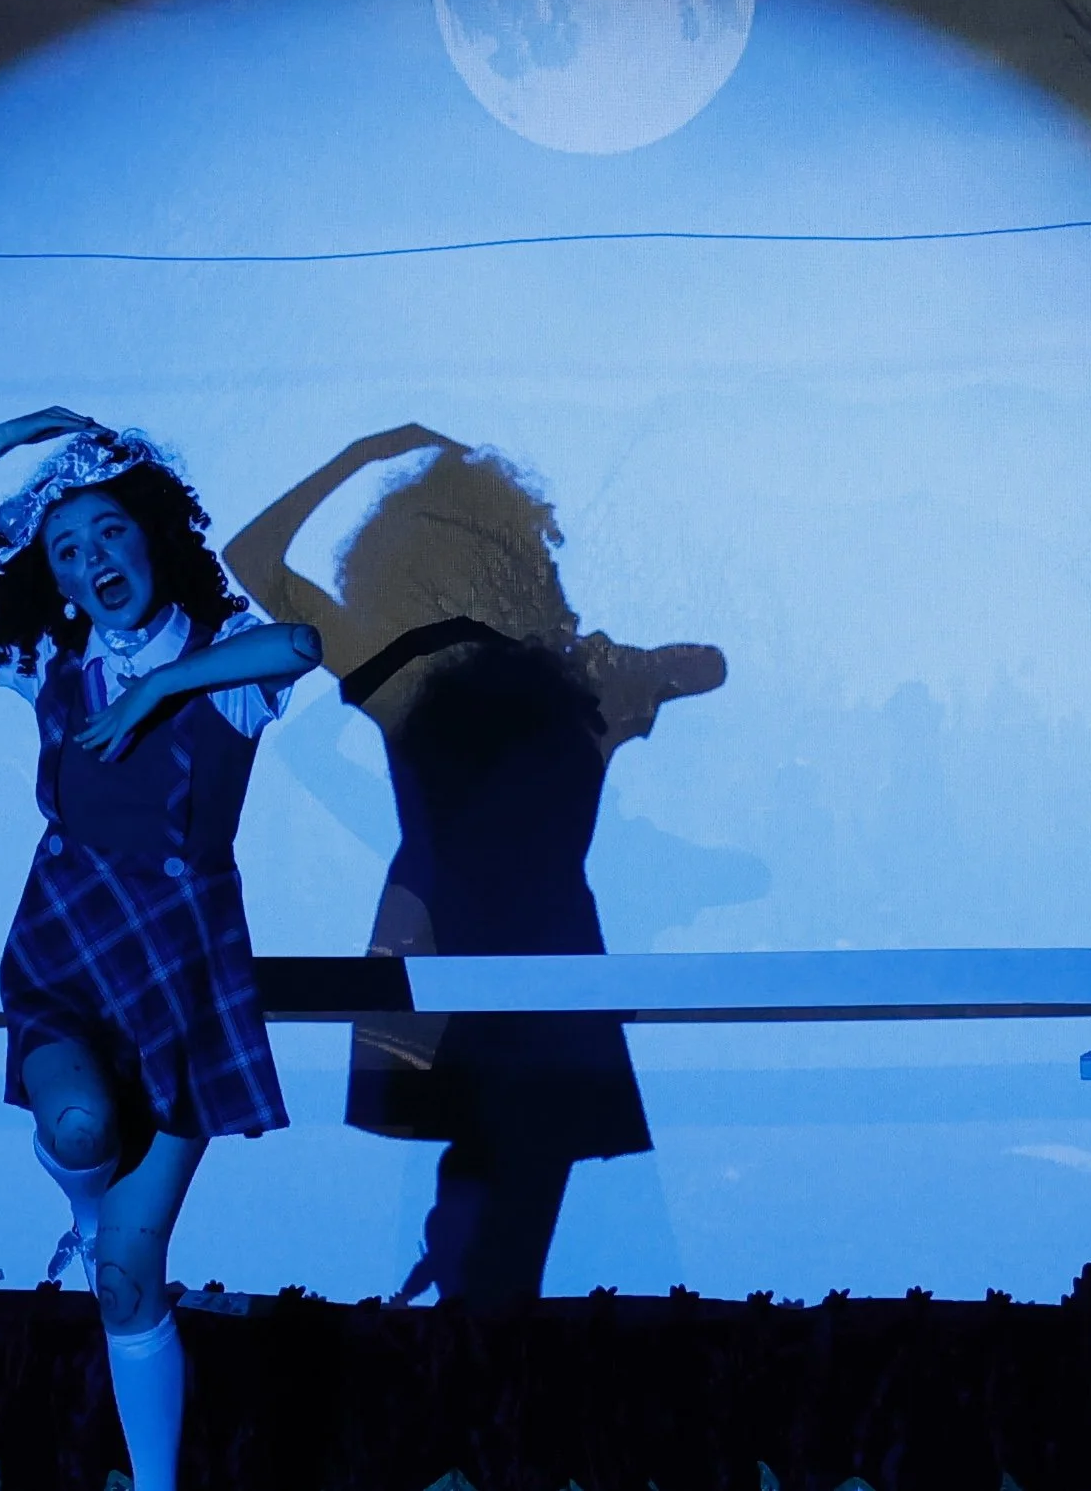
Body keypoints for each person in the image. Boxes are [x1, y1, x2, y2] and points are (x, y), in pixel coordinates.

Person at [0, 406, 321, 1491]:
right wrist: (0, 441)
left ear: (152, 534)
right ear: (57, 579)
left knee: (126, 1282)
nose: (91, 559)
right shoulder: (48, 660)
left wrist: (163, 683)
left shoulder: (226, 667)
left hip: (184, 980)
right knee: (77, 1126)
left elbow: (303, 643)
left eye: (109, 531)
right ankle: (84, 1202)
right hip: (68, 952)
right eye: (65, 548)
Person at [225, 424, 724, 1307]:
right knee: (496, 1204)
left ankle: (457, 1322)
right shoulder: (416, 671)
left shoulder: (540, 674)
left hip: (506, 953)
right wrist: (356, 456)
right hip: (465, 951)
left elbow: (704, 666)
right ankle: (461, 1327)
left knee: (496, 1203)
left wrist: (600, 656)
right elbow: (251, 560)